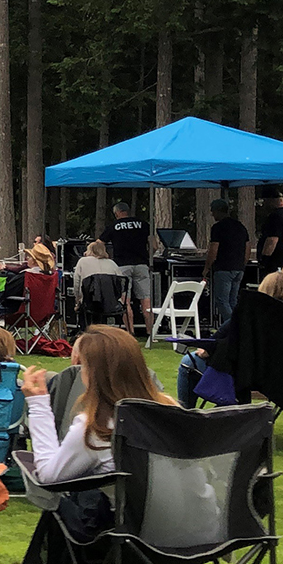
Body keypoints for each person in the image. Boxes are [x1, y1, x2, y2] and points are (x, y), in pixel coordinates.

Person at [19, 326, 174, 486]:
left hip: (120, 502)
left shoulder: (96, 428)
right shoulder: (170, 408)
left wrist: (38, 405)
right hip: (175, 500)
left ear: (93, 373)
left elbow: (49, 475)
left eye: (83, 366)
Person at [175, 271, 283, 405]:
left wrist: (207, 350)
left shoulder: (249, 313)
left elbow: (220, 337)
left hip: (244, 375)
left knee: (188, 361)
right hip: (282, 380)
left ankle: (186, 412)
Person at [99, 200, 153, 331]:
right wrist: (148, 257)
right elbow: (154, 245)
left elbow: (99, 243)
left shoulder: (113, 226)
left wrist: (106, 257)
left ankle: (130, 332)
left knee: (125, 301)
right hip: (141, 264)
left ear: (117, 213)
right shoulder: (143, 224)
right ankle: (150, 332)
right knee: (146, 300)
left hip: (122, 266)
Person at [200, 198, 250, 327]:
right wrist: (243, 263)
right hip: (239, 268)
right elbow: (248, 247)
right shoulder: (240, 226)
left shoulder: (218, 227)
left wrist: (207, 267)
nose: (212, 215)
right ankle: (238, 325)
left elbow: (214, 249)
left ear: (218, 211)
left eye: (213, 211)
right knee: (233, 300)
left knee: (222, 300)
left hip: (224, 268)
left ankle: (233, 327)